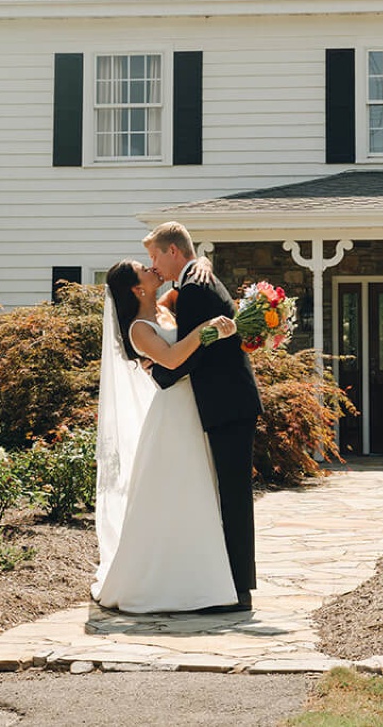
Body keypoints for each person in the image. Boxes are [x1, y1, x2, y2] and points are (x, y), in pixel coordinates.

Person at [92, 257, 240, 614]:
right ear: (135, 287)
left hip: (193, 405)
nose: (151, 268)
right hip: (171, 412)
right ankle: (159, 583)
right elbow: (172, 359)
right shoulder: (139, 328)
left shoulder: (165, 309)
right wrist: (208, 330)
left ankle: (201, 580)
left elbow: (192, 266)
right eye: (144, 268)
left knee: (197, 490)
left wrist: (202, 261)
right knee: (174, 491)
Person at [142, 221, 262, 612]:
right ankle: (230, 584)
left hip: (228, 403)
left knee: (233, 497)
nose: (154, 266)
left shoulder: (194, 285)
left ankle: (238, 592)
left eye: (155, 256)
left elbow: (198, 349)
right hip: (230, 401)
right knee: (228, 494)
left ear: (173, 251)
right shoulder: (194, 278)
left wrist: (157, 372)